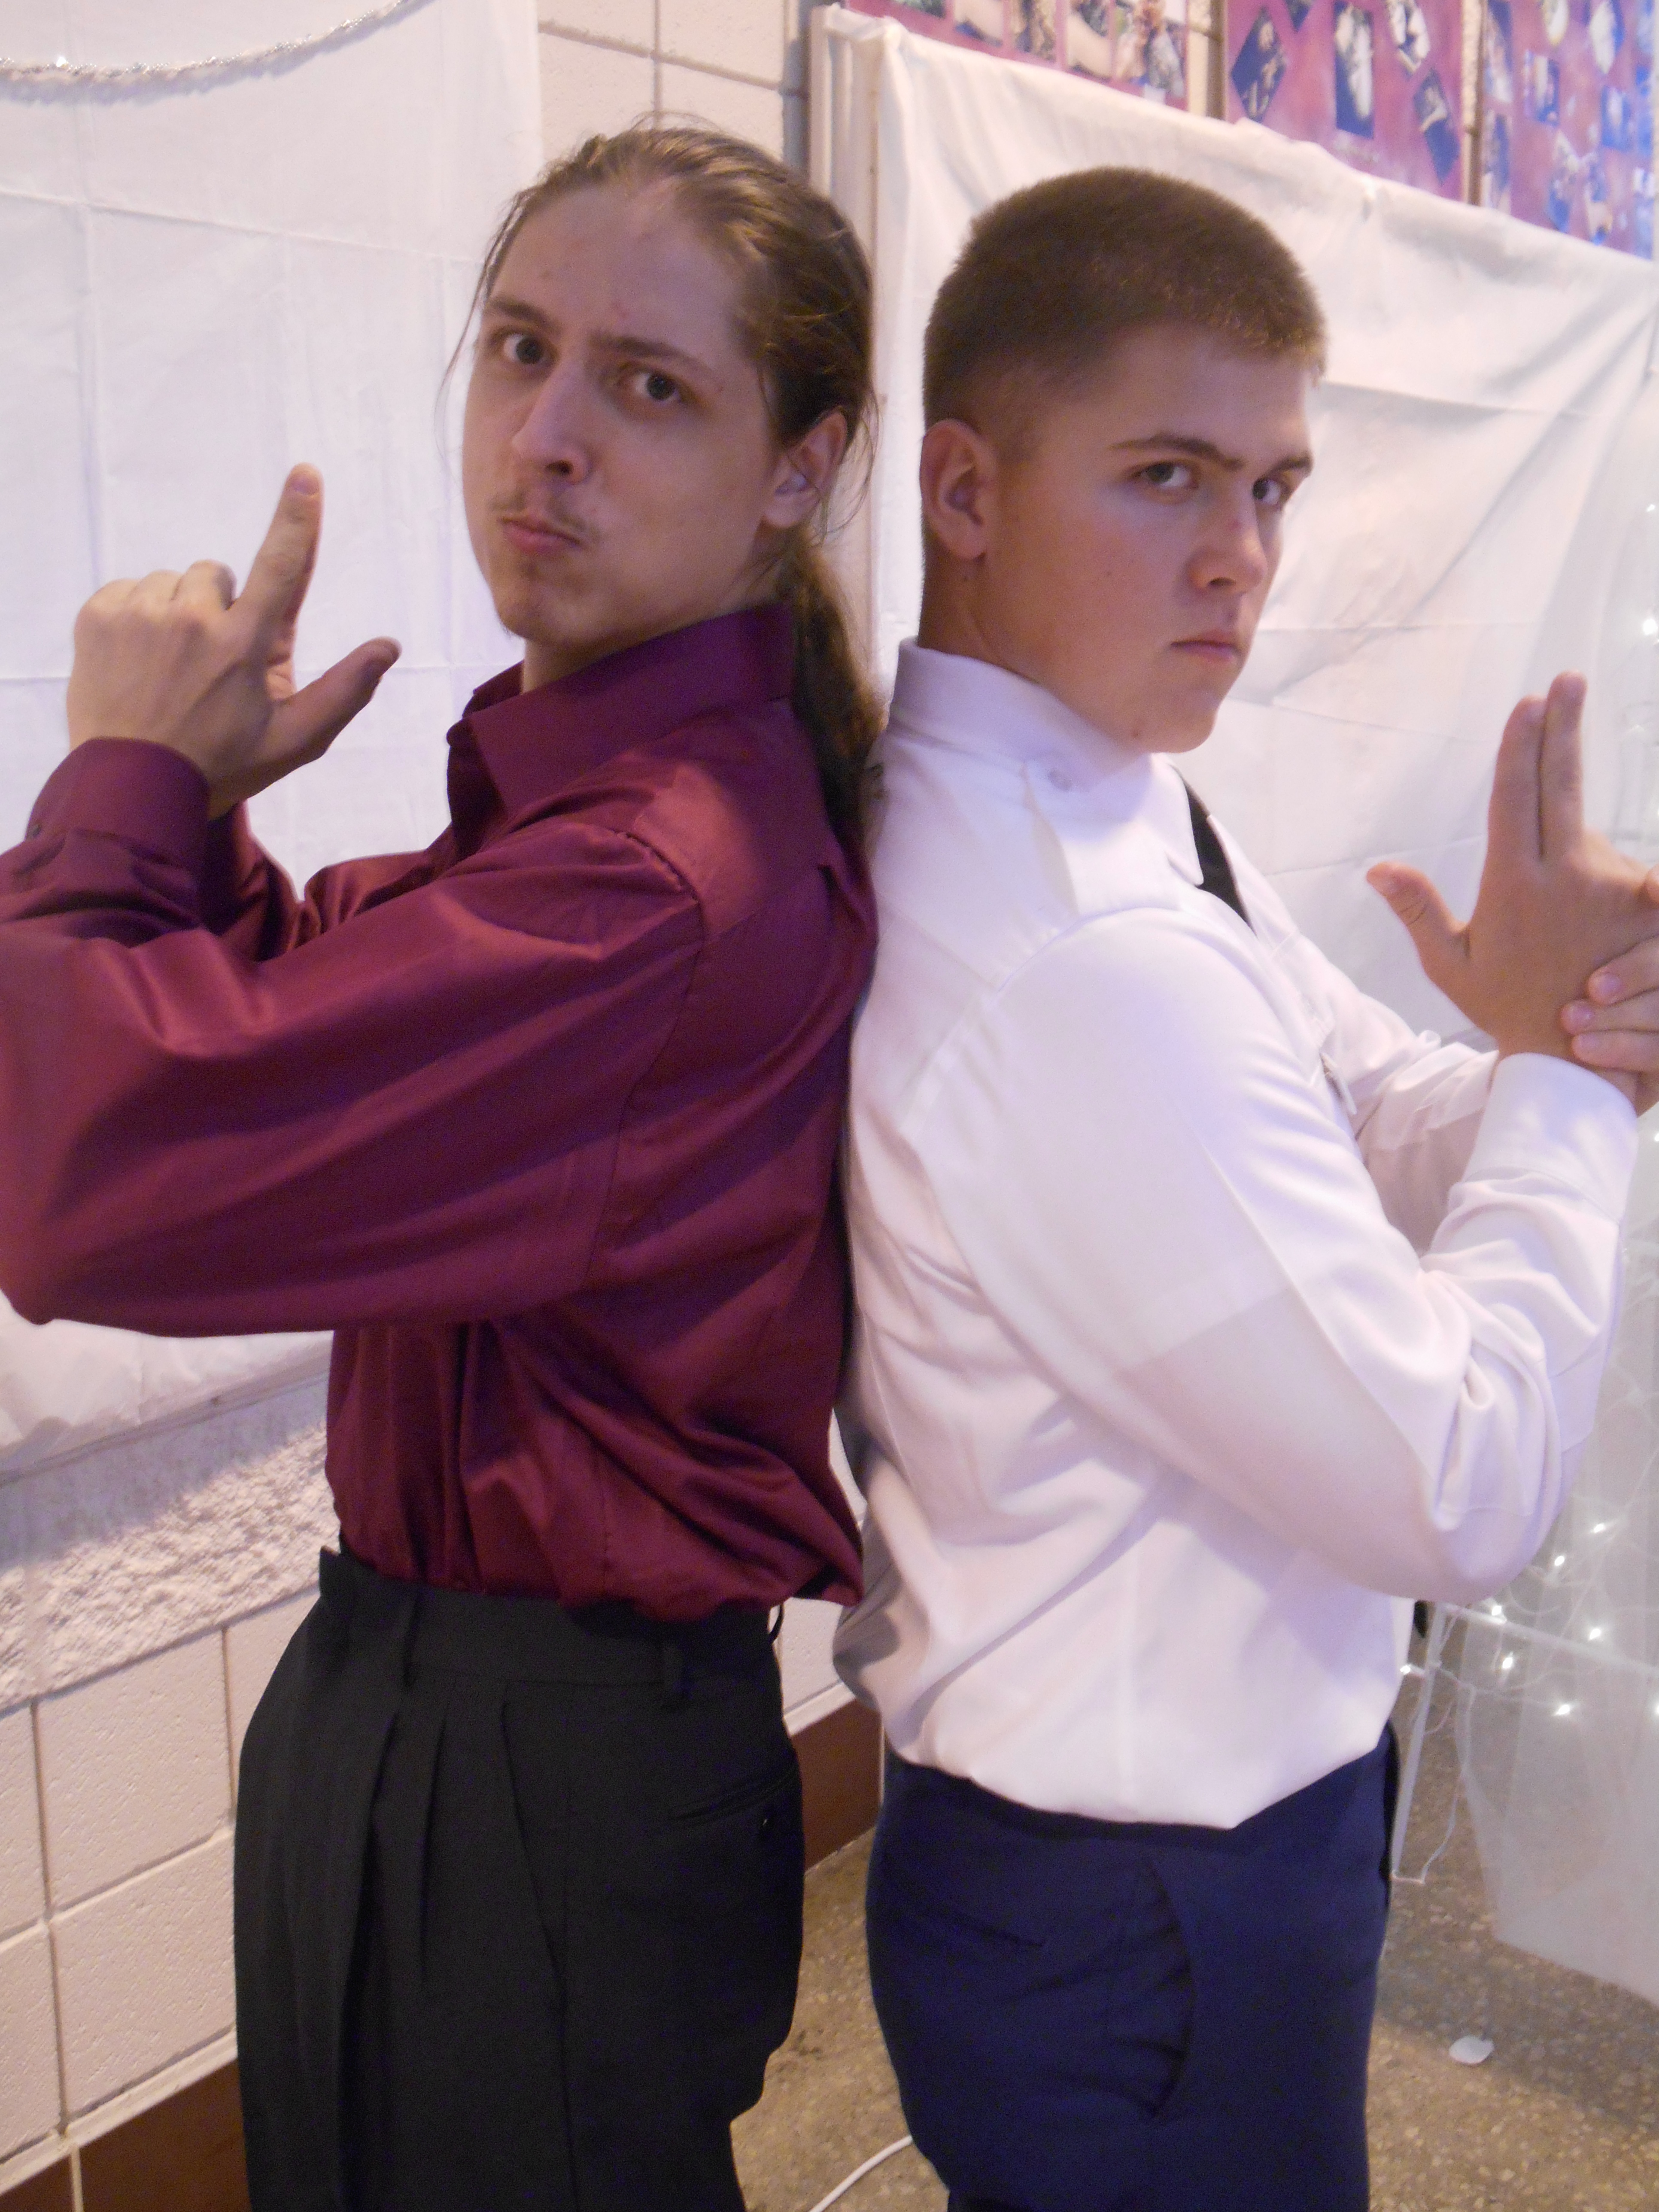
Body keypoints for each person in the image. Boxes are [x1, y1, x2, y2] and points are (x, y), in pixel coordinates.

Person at [0, 127, 878, 2212]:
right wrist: (196, 819)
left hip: (535, 1775)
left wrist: (120, 775)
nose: (547, 435)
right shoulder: (606, 802)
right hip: (460, 1724)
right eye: (520, 347)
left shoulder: (653, 877)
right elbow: (310, 1018)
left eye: (649, 385)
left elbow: (80, 1183)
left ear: (800, 466)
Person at [834, 167, 1659, 2212]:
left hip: (1111, 1877)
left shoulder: (1098, 805)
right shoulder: (1079, 957)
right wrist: (1566, 1093)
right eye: (1169, 477)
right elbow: (1459, 1484)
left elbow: (1358, 1103)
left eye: (1275, 487)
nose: (1242, 558)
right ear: (964, 489)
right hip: (1146, 1909)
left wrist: (1559, 1043)